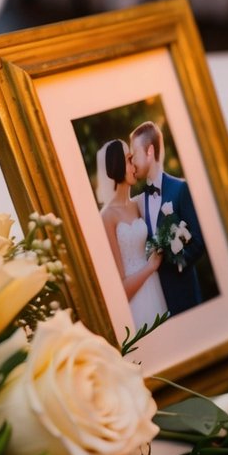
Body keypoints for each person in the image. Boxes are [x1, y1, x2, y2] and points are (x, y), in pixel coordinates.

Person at [129, 120, 207, 316]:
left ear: (149, 152)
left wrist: (176, 259)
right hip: (155, 302)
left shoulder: (181, 189)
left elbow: (199, 240)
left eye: (134, 155)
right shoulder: (139, 201)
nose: (132, 162)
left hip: (184, 296)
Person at [95, 138, 167, 332]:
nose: (134, 165)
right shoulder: (107, 217)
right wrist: (151, 266)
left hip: (155, 289)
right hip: (137, 302)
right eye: (129, 159)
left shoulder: (139, 204)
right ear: (118, 164)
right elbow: (122, 291)